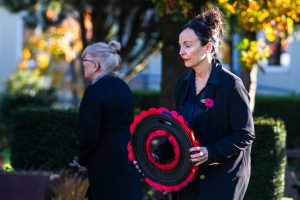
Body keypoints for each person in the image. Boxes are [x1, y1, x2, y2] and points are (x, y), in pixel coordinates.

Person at [149, 8, 255, 200]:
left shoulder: (231, 85)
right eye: (180, 45)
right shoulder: (183, 84)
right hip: (188, 180)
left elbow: (245, 134)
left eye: (187, 45)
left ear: (207, 47)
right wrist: (155, 158)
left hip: (223, 181)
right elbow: (178, 132)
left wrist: (210, 152)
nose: (181, 52)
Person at [78, 40, 142, 200]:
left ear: (96, 65)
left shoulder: (94, 91)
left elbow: (89, 134)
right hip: (127, 157)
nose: (83, 64)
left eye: (84, 60)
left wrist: (82, 159)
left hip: (104, 161)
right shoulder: (124, 88)